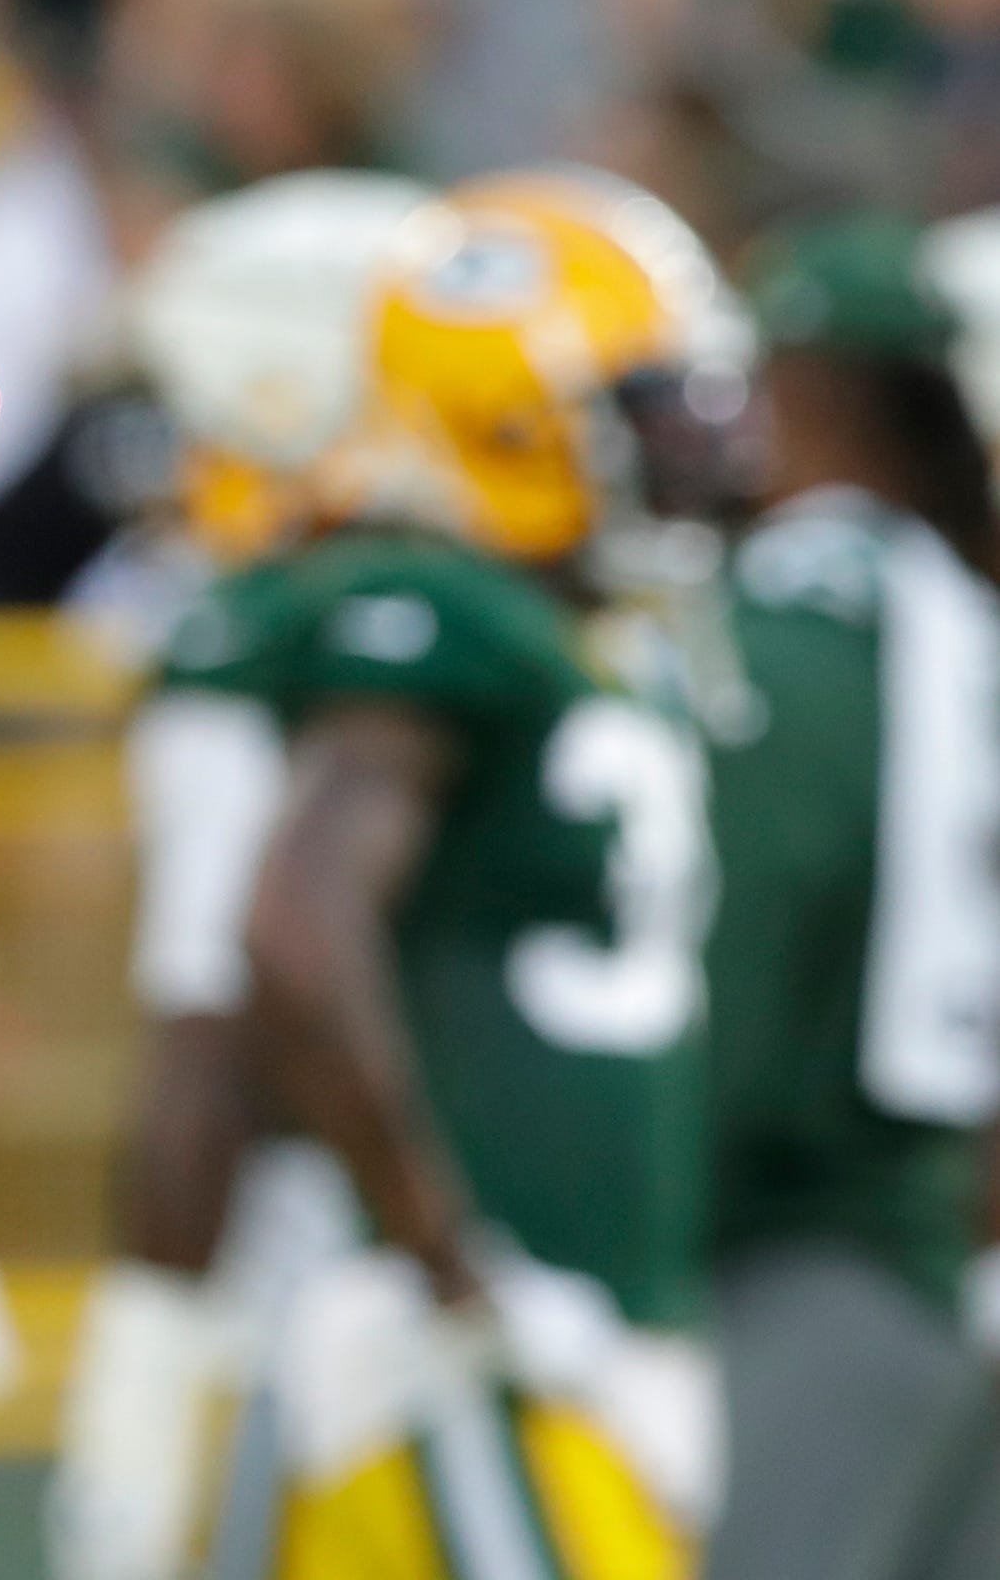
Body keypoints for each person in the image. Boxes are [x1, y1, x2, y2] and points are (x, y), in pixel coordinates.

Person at [236, 172, 752, 1579]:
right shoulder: (440, 617)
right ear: (516, 421)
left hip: (595, 1331)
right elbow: (296, 929)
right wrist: (450, 1258)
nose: (699, 447)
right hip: (480, 1345)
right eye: (651, 409)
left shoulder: (599, 638)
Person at [49, 169, 428, 1580]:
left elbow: (216, 1016)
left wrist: (152, 1325)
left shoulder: (273, 641)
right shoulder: (496, 619)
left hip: (352, 1269)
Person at [700, 214, 1000, 1580]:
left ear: (802, 392)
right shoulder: (956, 620)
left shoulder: (791, 630)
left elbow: (738, 962)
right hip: (941, 1241)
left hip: (810, 1249)